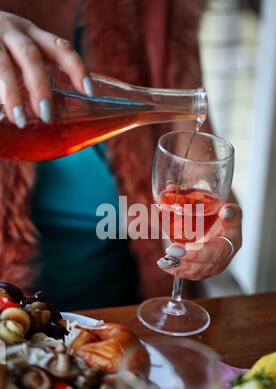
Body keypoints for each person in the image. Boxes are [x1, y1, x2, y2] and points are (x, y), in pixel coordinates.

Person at [0, 0, 242, 310]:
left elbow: (201, 169)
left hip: (123, 316)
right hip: (13, 324)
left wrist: (216, 236)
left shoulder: (156, 11)